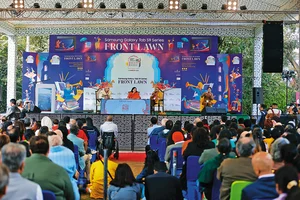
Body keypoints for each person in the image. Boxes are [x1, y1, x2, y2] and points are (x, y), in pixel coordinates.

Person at [22, 136, 75, 200]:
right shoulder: (60, 171)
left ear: (30, 151)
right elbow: (71, 196)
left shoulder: (19, 167)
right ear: (48, 151)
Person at [48, 135, 80, 200]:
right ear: (61, 142)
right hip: (69, 183)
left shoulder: (47, 153)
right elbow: (74, 170)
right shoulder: (69, 152)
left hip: (51, 185)